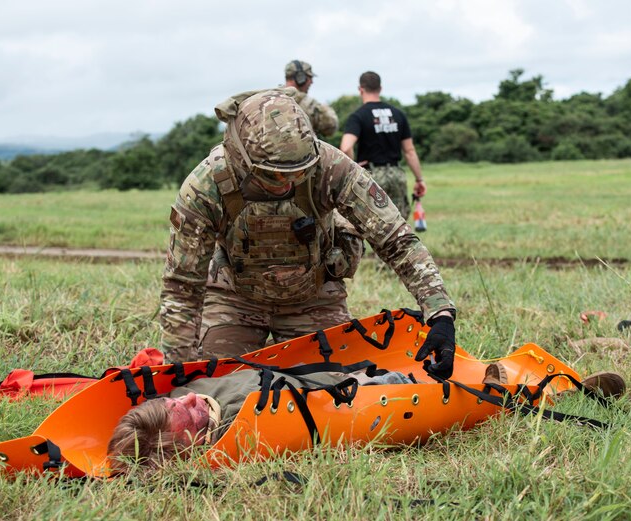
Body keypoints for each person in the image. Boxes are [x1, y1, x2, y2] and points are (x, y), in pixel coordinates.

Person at [160, 88, 456, 378]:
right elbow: (182, 286)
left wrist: (440, 312)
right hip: (235, 299)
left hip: (313, 297)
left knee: (341, 388)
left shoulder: (330, 166)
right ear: (240, 158)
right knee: (214, 386)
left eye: (298, 174)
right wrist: (177, 373)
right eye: (273, 175)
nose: (287, 183)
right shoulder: (207, 185)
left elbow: (396, 238)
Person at [107, 368, 412, 471]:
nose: (188, 399)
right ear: (188, 445)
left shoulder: (186, 389)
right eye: (187, 413)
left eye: (173, 401)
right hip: (347, 387)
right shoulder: (242, 428)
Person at [339, 71, 425, 220]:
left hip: (371, 177)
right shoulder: (398, 114)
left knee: (371, 224)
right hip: (396, 174)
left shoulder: (358, 116)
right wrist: (419, 180)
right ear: (380, 89)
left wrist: (354, 168)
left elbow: (346, 147)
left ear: (360, 89)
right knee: (397, 227)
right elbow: (410, 151)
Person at [284, 60, 339, 138]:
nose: (311, 82)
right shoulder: (309, 104)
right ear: (300, 77)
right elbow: (331, 126)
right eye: (309, 77)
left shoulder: (272, 99)